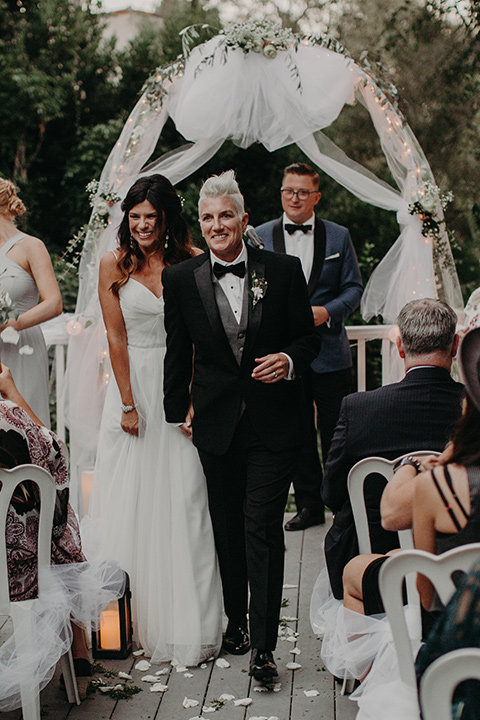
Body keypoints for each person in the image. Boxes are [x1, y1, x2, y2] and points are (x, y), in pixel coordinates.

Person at [163, 170, 321, 681]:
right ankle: (236, 622)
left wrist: (289, 360)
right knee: (227, 531)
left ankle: (266, 646)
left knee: (261, 529)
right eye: (207, 218)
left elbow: (307, 339)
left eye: (225, 215)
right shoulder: (180, 279)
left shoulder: (283, 269)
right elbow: (176, 350)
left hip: (275, 423)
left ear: (244, 219)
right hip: (214, 425)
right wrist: (175, 409)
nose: (216, 225)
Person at [88, 174, 223, 667]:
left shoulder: (190, 262)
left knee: (187, 499)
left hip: (182, 388)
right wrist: (127, 403)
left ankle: (191, 620)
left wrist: (192, 397)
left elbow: (202, 337)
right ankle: (127, 621)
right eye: (135, 217)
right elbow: (116, 338)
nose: (142, 225)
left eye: (152, 217)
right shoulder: (112, 265)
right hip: (133, 392)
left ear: (166, 220)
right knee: (132, 499)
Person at [321, 298, 464, 600]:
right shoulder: (473, 412)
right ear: (455, 346)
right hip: (460, 568)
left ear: (400, 347)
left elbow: (331, 494)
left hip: (378, 562)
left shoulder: (358, 408)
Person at [0, 364, 121, 707]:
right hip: (15, 572)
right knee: (58, 525)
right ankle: (79, 651)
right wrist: (13, 394)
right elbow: (55, 452)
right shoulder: (11, 418)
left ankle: (79, 651)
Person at [255, 162, 363, 531]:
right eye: (289, 191)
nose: (295, 198)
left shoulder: (338, 236)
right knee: (296, 432)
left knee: (337, 433)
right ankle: (309, 507)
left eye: (303, 192)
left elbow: (354, 289)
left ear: (316, 196)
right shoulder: (261, 236)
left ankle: (342, 507)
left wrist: (325, 312)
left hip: (330, 353)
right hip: (285, 356)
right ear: (281, 193)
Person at [0, 179, 62, 427]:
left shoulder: (30, 247)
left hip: (22, 348)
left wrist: (9, 324)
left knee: (24, 428)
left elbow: (54, 303)